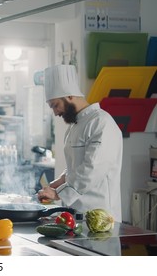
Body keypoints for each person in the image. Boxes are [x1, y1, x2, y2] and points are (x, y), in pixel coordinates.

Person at [37, 64, 123, 222]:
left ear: (69, 96)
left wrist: (58, 194)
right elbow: (76, 165)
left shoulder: (101, 122)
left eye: (55, 105)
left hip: (100, 217)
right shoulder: (75, 126)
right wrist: (58, 182)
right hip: (76, 214)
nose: (55, 112)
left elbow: (92, 169)